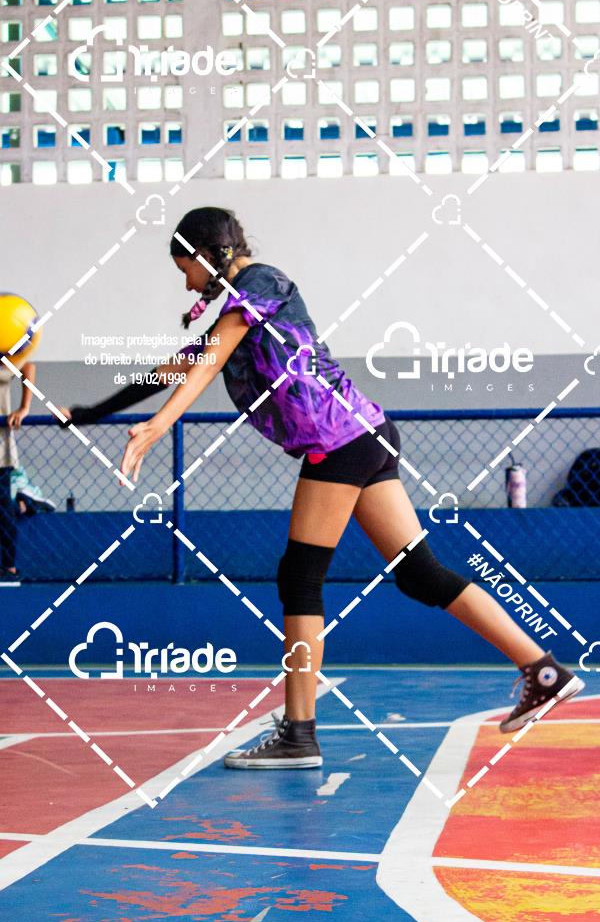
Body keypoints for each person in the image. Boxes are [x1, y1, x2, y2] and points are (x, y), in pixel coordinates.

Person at [77, 206, 582, 769]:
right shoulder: (236, 315)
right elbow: (177, 367)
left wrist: (158, 426)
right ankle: (544, 672)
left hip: (338, 441)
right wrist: (93, 411)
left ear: (207, 254)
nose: (188, 284)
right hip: (363, 434)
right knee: (420, 574)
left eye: (185, 269)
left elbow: (209, 359)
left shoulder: (260, 284)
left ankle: (298, 735)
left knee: (300, 577)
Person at [0, 359, 37, 582]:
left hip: (0, 449)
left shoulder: (5, 356)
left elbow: (28, 366)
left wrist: (25, 408)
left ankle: (8, 567)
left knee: (3, 508)